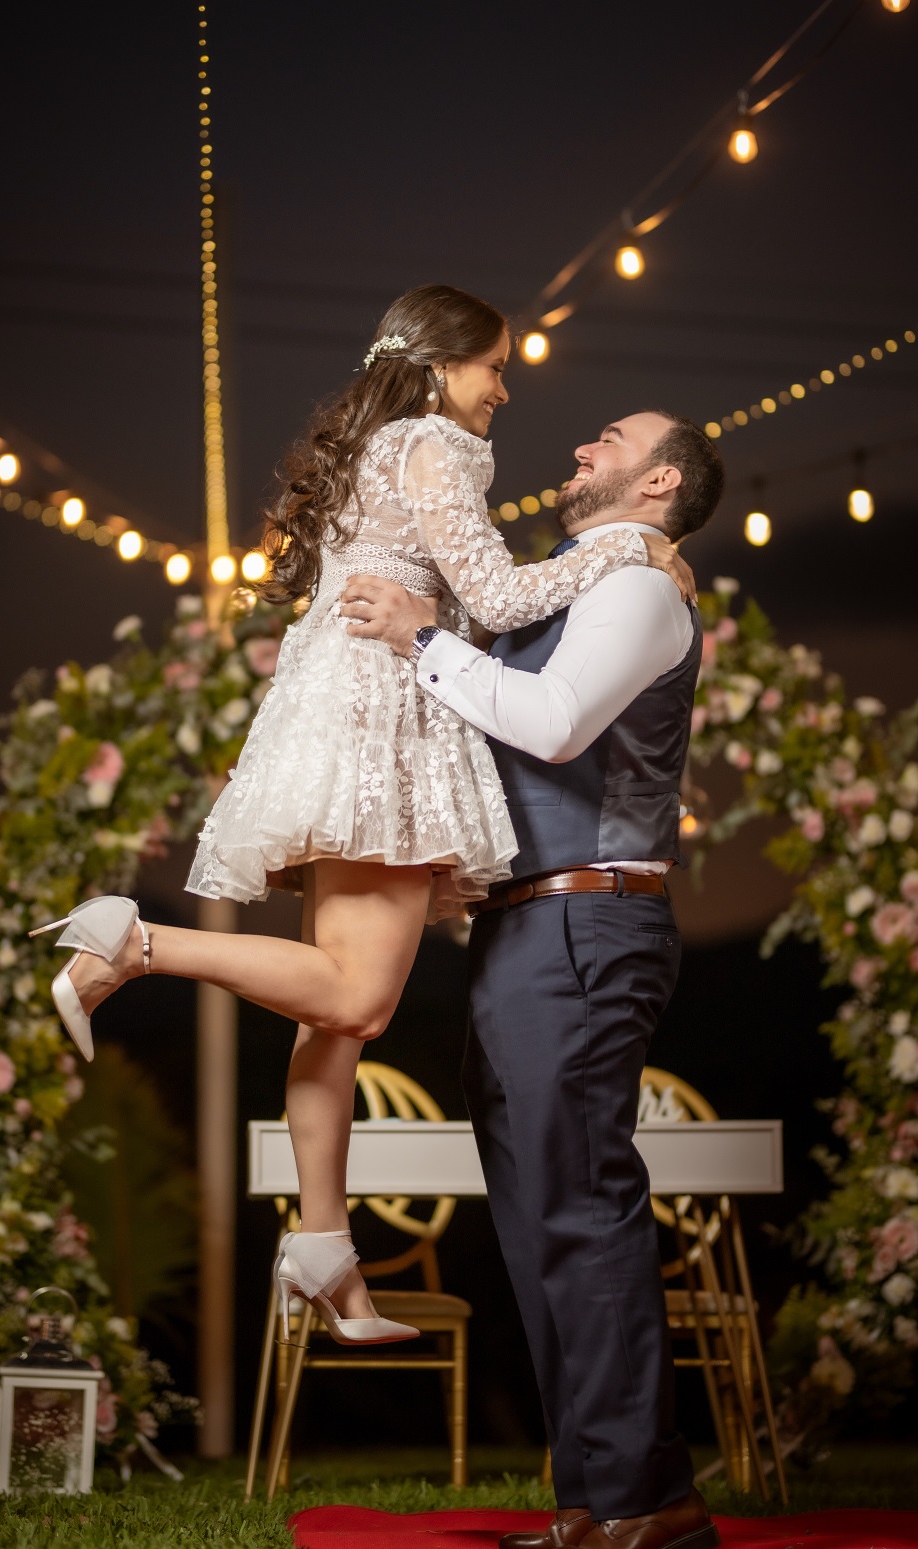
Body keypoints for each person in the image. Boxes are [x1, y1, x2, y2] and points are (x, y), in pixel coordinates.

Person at [28, 288, 694, 1350]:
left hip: (327, 706)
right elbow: (499, 596)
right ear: (441, 368)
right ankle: (133, 940)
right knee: (359, 998)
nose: (504, 390)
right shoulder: (435, 441)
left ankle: (325, 1247)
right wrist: (622, 550)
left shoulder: (370, 443)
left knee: (326, 1025)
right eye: (495, 368)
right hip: (385, 710)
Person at [339, 410, 724, 1548]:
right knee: (534, 1226)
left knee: (579, 1213)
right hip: (524, 930)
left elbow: (556, 727)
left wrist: (421, 636)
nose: (577, 450)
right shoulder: (569, 583)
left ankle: (648, 1503)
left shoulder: (641, 591)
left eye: (607, 440)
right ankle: (594, 1501)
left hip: (586, 926)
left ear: (658, 481)